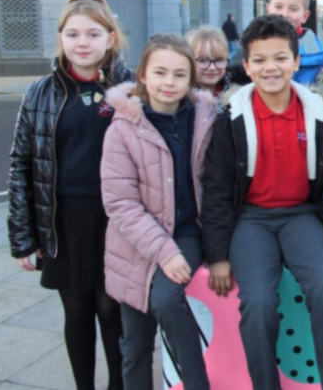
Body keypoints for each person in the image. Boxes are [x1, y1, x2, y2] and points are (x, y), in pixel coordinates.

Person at [201, 15, 323, 390]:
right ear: (248, 66)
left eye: (281, 58)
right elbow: (217, 190)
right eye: (261, 59)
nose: (271, 67)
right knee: (257, 303)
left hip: (302, 216)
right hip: (251, 220)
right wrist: (217, 254)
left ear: (297, 62)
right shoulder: (231, 119)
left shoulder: (320, 116)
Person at [7, 0, 131, 390]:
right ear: (60, 38)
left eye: (93, 34)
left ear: (110, 38)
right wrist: (23, 237)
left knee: (112, 312)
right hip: (62, 222)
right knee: (76, 312)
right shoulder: (40, 93)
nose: (83, 43)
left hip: (115, 220)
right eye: (73, 34)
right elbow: (22, 164)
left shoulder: (131, 89)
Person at [101, 34, 215, 390]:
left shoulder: (205, 120)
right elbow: (121, 203)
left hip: (185, 231)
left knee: (167, 299)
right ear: (143, 75)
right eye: (160, 72)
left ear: (191, 78)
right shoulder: (122, 129)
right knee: (134, 346)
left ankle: (198, 383)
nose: (169, 82)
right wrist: (162, 252)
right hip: (134, 245)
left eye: (179, 74)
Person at [267, 0, 323, 85]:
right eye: (278, 7)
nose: (284, 14)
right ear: (268, 9)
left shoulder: (319, 58)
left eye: (293, 9)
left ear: (305, 16)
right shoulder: (252, 47)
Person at [187, 25, 231, 99]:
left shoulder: (242, 97)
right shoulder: (180, 102)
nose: (212, 68)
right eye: (202, 60)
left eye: (219, 60)